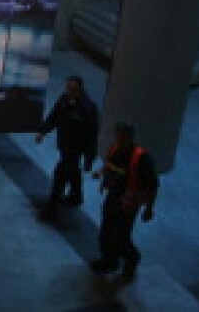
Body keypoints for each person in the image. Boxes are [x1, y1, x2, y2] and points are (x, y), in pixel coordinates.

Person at [90, 122, 159, 280]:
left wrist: (149, 208)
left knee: (121, 236)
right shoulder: (114, 149)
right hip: (113, 198)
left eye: (123, 137)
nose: (119, 140)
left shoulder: (141, 158)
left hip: (128, 202)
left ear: (130, 138)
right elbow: (109, 167)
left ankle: (131, 260)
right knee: (106, 232)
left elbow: (153, 185)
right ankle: (109, 261)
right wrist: (101, 173)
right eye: (118, 136)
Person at [35, 75, 99, 219]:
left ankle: (50, 209)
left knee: (60, 175)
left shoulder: (88, 110)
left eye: (73, 89)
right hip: (65, 145)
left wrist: (89, 159)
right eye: (68, 88)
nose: (70, 92)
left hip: (75, 148)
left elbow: (91, 136)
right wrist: (42, 131)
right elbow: (54, 117)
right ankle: (76, 196)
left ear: (80, 89)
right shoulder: (64, 100)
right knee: (73, 170)